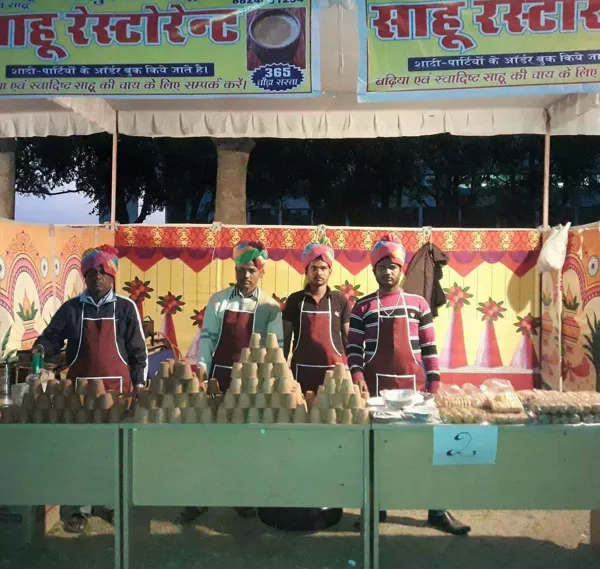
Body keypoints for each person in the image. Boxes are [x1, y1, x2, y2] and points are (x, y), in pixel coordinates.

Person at [346, 234, 471, 536]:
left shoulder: (419, 304)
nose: (387, 272)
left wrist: (435, 382)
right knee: (375, 454)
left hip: (416, 391)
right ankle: (376, 509)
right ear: (373, 270)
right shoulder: (362, 307)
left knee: (425, 451)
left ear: (401, 269)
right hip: (376, 392)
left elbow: (429, 347)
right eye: (382, 267)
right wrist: (358, 379)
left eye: (393, 266)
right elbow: (353, 350)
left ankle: (437, 511)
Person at [33, 245, 148, 534]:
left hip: (117, 393)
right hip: (81, 392)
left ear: (112, 275)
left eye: (102, 271)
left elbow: (138, 352)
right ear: (84, 276)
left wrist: (140, 385)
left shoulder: (125, 308)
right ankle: (81, 508)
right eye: (91, 272)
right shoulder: (72, 309)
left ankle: (111, 505)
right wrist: (41, 347)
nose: (97, 277)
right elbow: (52, 337)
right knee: (82, 451)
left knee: (115, 451)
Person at [180, 240, 283, 524]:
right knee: (208, 441)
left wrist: (265, 383)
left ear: (261, 272)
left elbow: (277, 348)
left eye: (251, 270)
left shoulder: (270, 307)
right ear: (235, 270)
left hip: (251, 386)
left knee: (246, 444)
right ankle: (198, 500)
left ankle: (242, 497)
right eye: (241, 269)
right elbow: (208, 338)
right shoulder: (220, 300)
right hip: (219, 380)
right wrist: (202, 369)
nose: (246, 275)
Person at [283, 237, 350, 393]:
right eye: (313, 268)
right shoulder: (295, 300)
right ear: (306, 270)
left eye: (323, 268)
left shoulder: (340, 301)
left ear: (330, 271)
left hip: (334, 371)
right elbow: (285, 338)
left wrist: (353, 368)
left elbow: (348, 338)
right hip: (301, 372)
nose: (318, 272)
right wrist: (282, 369)